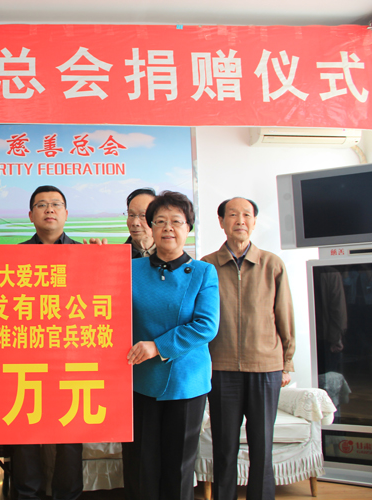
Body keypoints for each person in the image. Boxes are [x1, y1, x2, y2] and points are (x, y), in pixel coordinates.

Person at [123, 190, 219, 500]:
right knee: (140, 465)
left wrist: (157, 346)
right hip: (139, 380)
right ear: (150, 227)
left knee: (178, 468)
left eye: (176, 221)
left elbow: (206, 326)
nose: (168, 228)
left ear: (188, 227)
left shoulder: (204, 272)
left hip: (186, 382)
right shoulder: (130, 269)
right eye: (160, 221)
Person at [201, 197, 295, 500]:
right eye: (232, 214)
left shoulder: (272, 264)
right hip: (221, 368)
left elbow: (284, 315)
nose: (240, 220)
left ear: (254, 221)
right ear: (221, 222)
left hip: (266, 368)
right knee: (224, 448)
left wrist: (287, 362)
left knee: (262, 446)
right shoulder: (206, 266)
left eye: (246, 215)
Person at [13, 185, 83, 500]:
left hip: (71, 356)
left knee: (70, 432)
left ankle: (68, 494)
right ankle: (27, 494)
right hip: (26, 356)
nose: (49, 209)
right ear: (31, 215)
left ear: (66, 213)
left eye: (56, 204)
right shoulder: (14, 257)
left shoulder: (86, 255)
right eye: (41, 205)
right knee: (25, 430)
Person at [125, 188, 156, 259]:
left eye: (143, 215)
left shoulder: (170, 255)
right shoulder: (117, 256)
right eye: (131, 215)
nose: (135, 223)